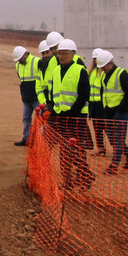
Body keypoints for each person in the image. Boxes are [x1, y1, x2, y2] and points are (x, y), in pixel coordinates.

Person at [46, 39, 95, 190]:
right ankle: (67, 182)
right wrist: (52, 108)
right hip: (58, 117)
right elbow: (52, 92)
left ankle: (85, 177)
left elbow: (84, 95)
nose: (61, 56)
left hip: (76, 118)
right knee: (63, 152)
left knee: (75, 151)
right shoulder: (55, 71)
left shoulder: (79, 71)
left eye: (65, 54)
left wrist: (72, 111)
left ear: (73, 54)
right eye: (59, 54)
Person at [94, 49, 128, 175]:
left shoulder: (122, 74)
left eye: (104, 66)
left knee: (118, 138)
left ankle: (113, 166)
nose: (102, 69)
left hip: (120, 112)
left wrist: (121, 108)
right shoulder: (103, 75)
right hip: (108, 111)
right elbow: (104, 92)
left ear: (110, 63)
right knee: (112, 138)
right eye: (101, 67)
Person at [12, 45, 39, 146]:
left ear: (25, 55)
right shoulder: (18, 65)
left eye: (20, 59)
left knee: (40, 120)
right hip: (26, 96)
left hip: (37, 97)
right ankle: (26, 138)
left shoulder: (36, 61)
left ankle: (39, 140)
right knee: (26, 118)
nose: (19, 61)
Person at [88, 55, 108, 156]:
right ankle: (100, 148)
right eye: (95, 59)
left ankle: (118, 148)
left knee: (107, 127)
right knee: (97, 128)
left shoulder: (104, 73)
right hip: (93, 104)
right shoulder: (91, 72)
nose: (96, 61)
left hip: (101, 104)